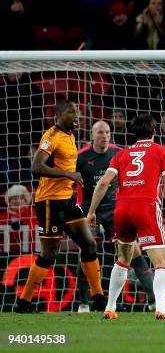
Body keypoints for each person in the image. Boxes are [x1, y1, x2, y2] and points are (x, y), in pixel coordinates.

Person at [14, 100, 106, 313]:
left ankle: (99, 298)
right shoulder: (51, 137)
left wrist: (71, 184)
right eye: (72, 112)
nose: (77, 116)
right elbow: (37, 167)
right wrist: (67, 174)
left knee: (89, 244)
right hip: (49, 202)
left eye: (78, 113)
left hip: (68, 200)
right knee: (49, 254)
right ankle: (24, 302)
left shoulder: (71, 136)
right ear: (58, 115)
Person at [86, 113, 165, 321]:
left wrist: (91, 211)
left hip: (122, 209)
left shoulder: (121, 154)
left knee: (123, 258)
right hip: (145, 207)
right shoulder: (161, 151)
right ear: (154, 132)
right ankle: (161, 309)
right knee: (161, 261)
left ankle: (110, 309)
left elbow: (103, 183)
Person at [75, 121, 156, 313]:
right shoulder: (80, 157)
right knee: (86, 252)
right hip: (89, 211)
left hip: (113, 209)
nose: (104, 136)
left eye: (107, 132)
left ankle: (154, 300)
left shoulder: (118, 153)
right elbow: (71, 183)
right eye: (100, 132)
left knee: (133, 250)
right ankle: (84, 303)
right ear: (92, 135)